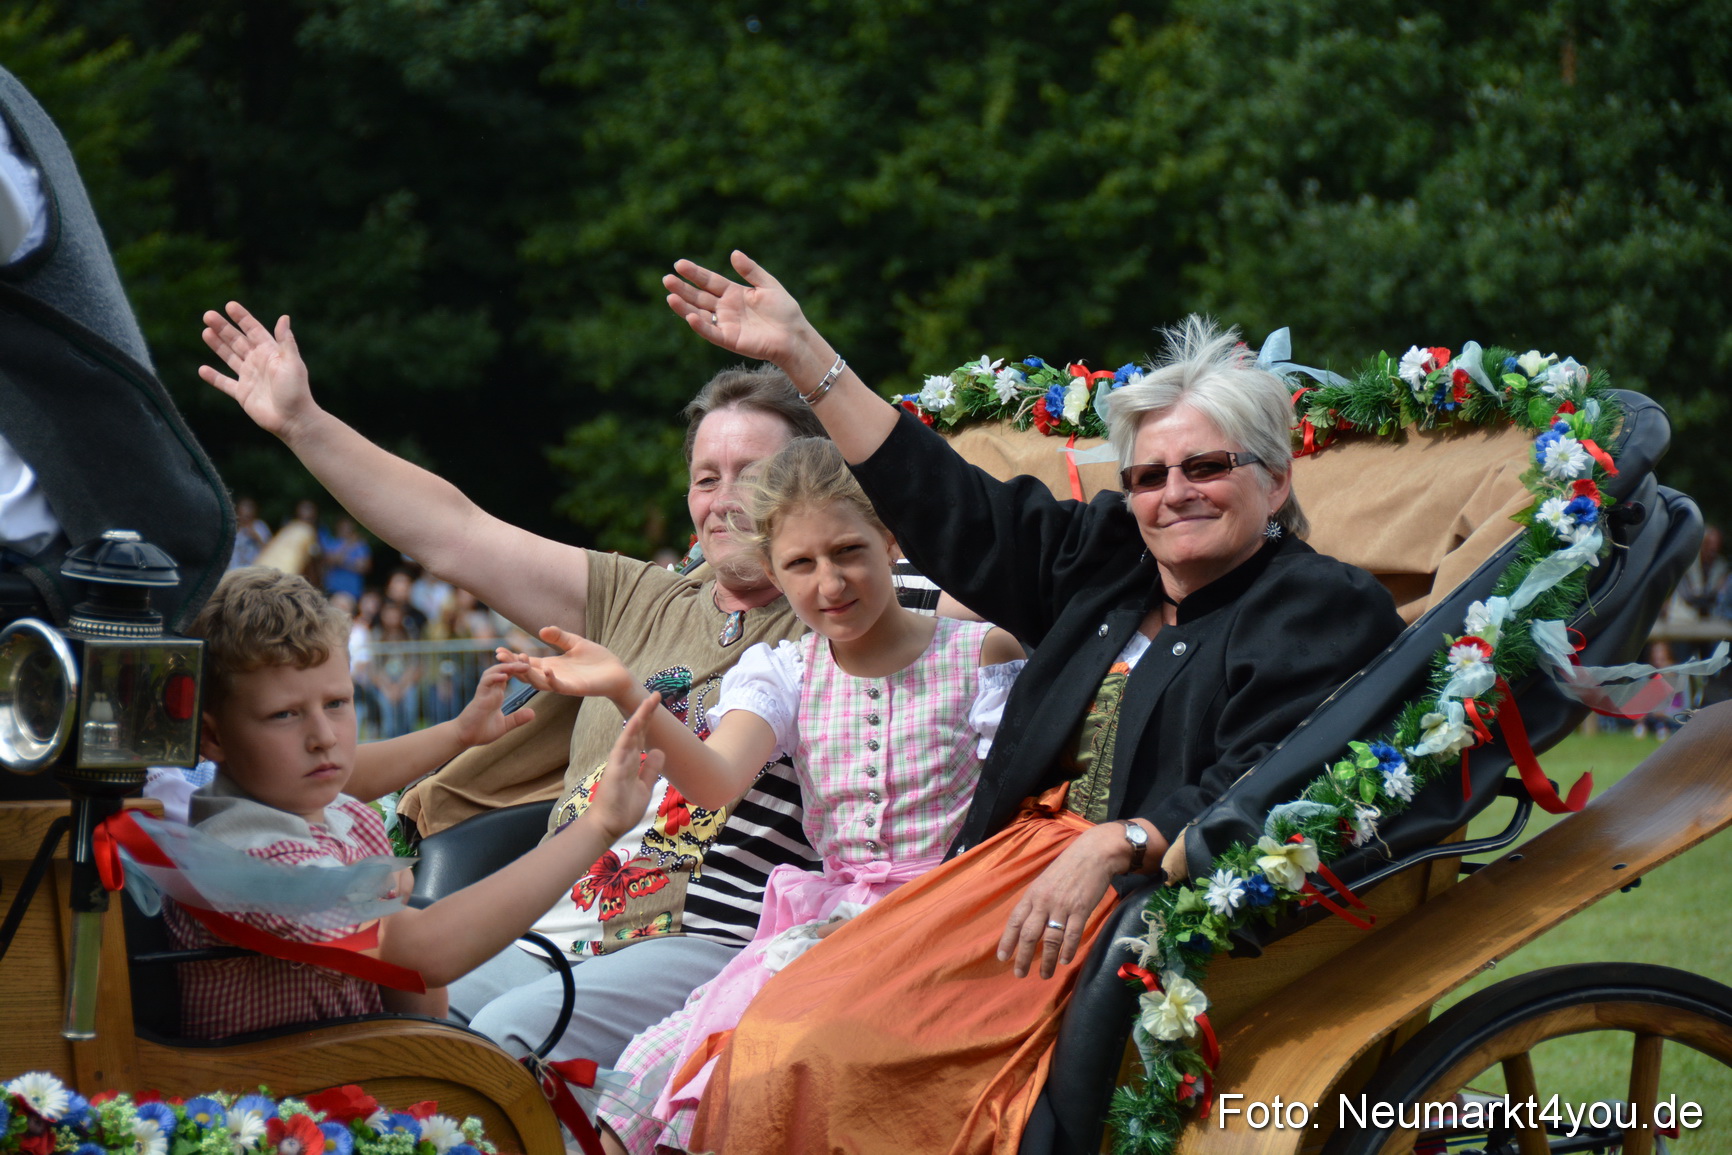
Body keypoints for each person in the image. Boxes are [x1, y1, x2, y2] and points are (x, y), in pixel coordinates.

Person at [656, 252, 1407, 1153]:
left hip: (1134, 903)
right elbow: (955, 506)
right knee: (773, 1033)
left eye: (1205, 467)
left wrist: (1122, 838)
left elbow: (1275, 763)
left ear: (1276, 480)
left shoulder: (1317, 603)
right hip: (998, 877)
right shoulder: (1110, 564)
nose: (1174, 494)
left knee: (835, 1056)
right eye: (1148, 475)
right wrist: (803, 352)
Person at [196, 303, 829, 1069]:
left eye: (754, 474)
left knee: (491, 1051)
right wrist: (304, 423)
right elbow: (454, 531)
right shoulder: (640, 596)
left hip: (704, 937)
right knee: (415, 1036)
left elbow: (962, 578)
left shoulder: (844, 609)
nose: (724, 497)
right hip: (552, 924)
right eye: (705, 476)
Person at [496, 438, 1024, 1153]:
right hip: (829, 922)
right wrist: (626, 687)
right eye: (801, 564)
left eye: (848, 552)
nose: (830, 582)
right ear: (773, 569)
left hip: (945, 919)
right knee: (659, 1065)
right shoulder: (784, 669)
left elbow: (1011, 817)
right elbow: (714, 779)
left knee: (784, 1050)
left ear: (891, 540)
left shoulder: (979, 653)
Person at [163, 566, 662, 1039]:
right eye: (283, 715)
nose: (322, 738)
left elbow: (420, 1007)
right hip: (276, 1103)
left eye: (337, 703)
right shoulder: (247, 853)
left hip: (359, 1069)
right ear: (212, 737)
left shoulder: (347, 817)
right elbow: (420, 954)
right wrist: (595, 827)